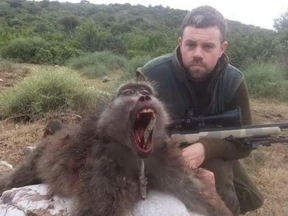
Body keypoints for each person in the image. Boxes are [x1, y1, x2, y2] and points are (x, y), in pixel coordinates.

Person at [136, 5, 264, 216]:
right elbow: (125, 135)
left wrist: (206, 148)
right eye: (191, 44)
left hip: (213, 145)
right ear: (180, 43)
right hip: (158, 155)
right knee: (218, 178)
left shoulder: (233, 81)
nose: (197, 54)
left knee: (251, 197)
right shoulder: (152, 76)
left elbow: (244, 144)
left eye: (208, 47)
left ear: (222, 48)